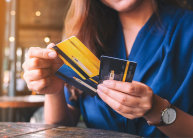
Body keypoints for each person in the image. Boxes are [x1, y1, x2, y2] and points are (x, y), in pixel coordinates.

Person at [22, 0, 193, 137]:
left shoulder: (188, 30)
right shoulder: (87, 38)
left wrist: (157, 110)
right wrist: (54, 92)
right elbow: (60, 130)